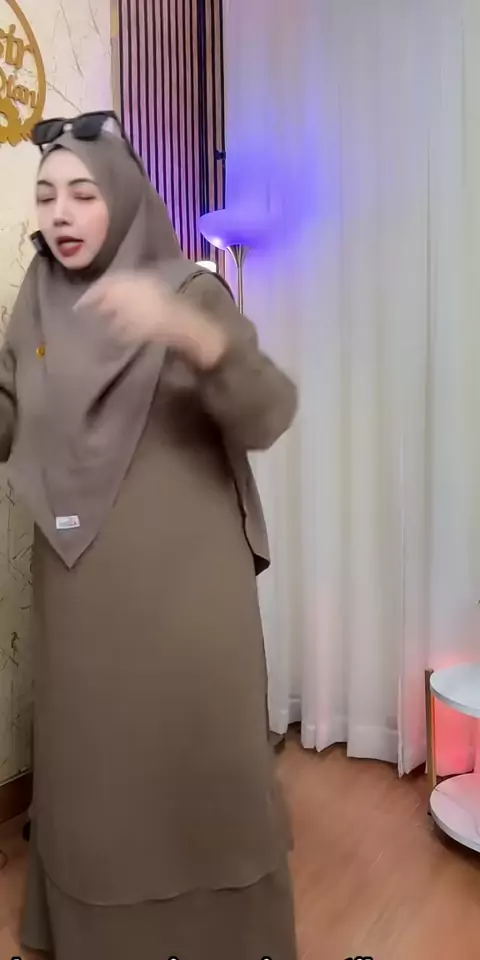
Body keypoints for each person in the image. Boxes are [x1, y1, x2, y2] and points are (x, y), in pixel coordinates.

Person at [0, 112, 298, 959]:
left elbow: (268, 410)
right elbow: (12, 415)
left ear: (125, 197)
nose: (61, 213)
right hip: (80, 586)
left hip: (187, 591)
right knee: (98, 783)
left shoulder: (189, 290)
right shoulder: (37, 299)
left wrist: (188, 335)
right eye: (46, 196)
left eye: (82, 193)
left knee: (199, 768)